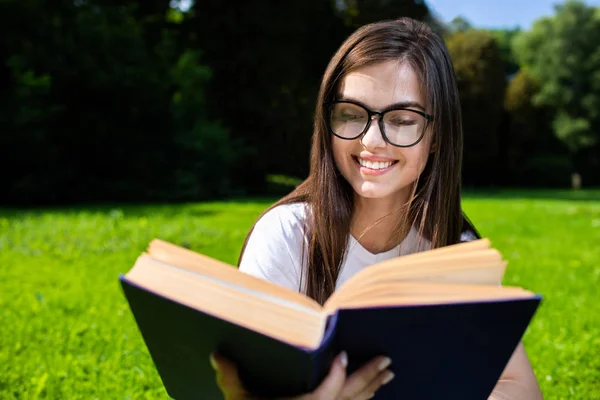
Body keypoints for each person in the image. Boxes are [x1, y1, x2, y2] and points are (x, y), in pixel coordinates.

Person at [210, 17, 543, 400]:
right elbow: (237, 386)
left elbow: (519, 389)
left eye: (402, 120)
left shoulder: (454, 250)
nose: (371, 140)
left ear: (437, 137)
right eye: (351, 114)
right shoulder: (286, 235)